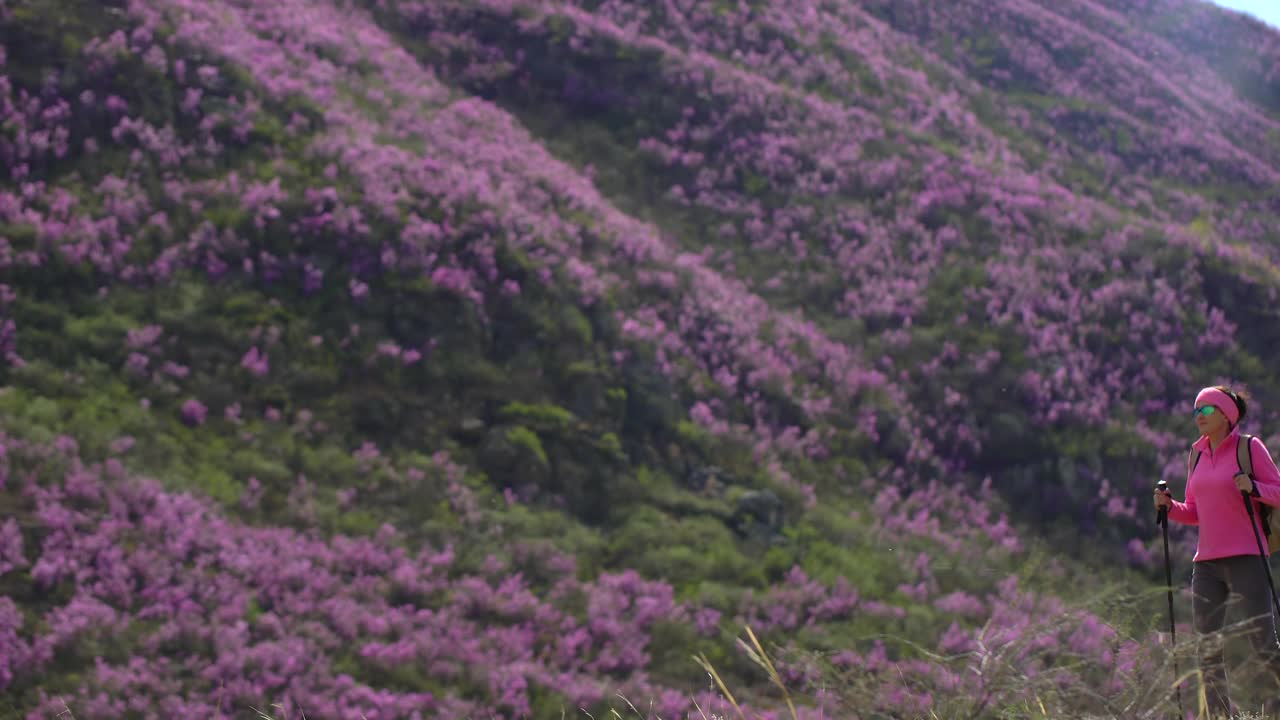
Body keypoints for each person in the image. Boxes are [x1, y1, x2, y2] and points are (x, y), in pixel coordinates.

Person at [1154, 386, 1280, 717]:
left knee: (1263, 644)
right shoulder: (1195, 454)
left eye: (1206, 411)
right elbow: (1194, 511)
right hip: (1207, 564)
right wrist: (1170, 507)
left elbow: (1278, 492)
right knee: (1207, 649)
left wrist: (1254, 488)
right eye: (1195, 412)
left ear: (1226, 415)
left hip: (1247, 558)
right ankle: (1221, 715)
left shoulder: (1249, 448)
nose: (1199, 418)